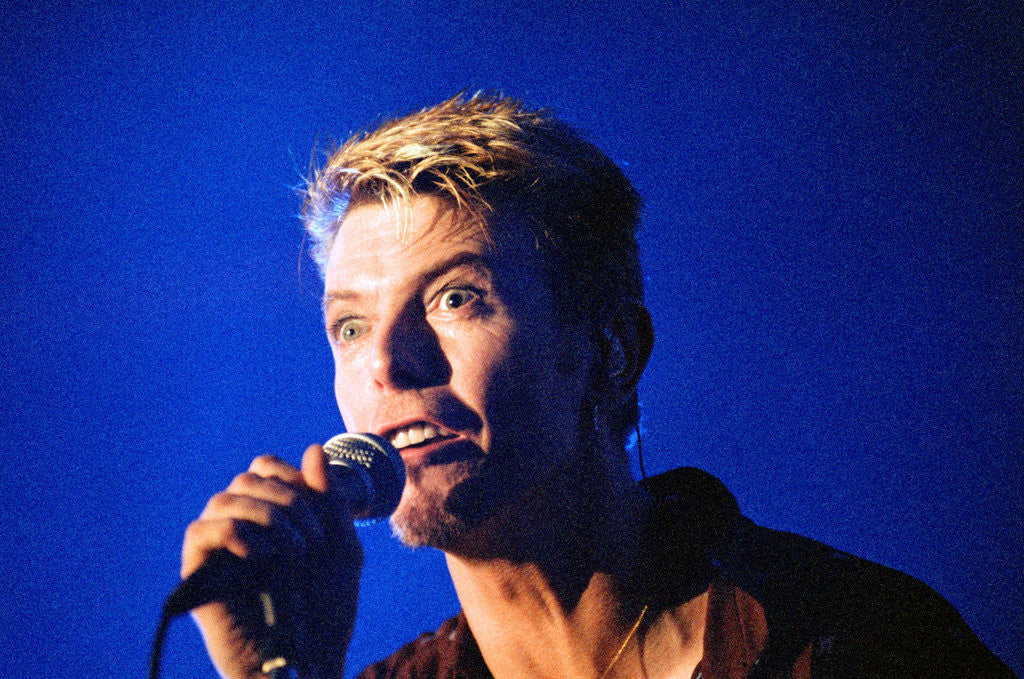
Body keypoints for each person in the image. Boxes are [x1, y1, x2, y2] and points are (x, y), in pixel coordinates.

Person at [180, 93, 1015, 678]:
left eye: (457, 298)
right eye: (351, 325)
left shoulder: (850, 638)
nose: (388, 364)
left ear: (612, 350)